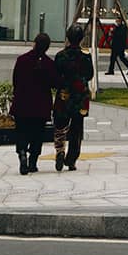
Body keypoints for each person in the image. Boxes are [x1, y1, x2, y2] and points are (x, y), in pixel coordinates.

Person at [9, 31, 58, 175]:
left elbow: (15, 81)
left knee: (22, 131)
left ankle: (22, 153)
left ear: (34, 43)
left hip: (22, 103)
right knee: (38, 134)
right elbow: (55, 83)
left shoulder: (22, 60)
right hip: (40, 105)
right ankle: (33, 162)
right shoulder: (49, 64)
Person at [49, 22, 94, 172]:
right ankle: (72, 159)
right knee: (76, 128)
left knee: (60, 125)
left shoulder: (61, 56)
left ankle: (60, 151)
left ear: (68, 37)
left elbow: (55, 76)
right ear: (81, 39)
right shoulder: (86, 56)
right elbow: (90, 75)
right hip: (80, 96)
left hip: (64, 95)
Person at [105, 14, 128, 80]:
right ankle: (111, 70)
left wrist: (113, 32)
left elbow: (119, 35)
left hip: (120, 45)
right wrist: (111, 33)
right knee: (113, 58)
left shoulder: (123, 28)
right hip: (115, 45)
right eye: (116, 21)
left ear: (121, 21)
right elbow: (112, 34)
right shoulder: (116, 27)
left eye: (118, 21)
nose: (117, 22)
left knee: (120, 58)